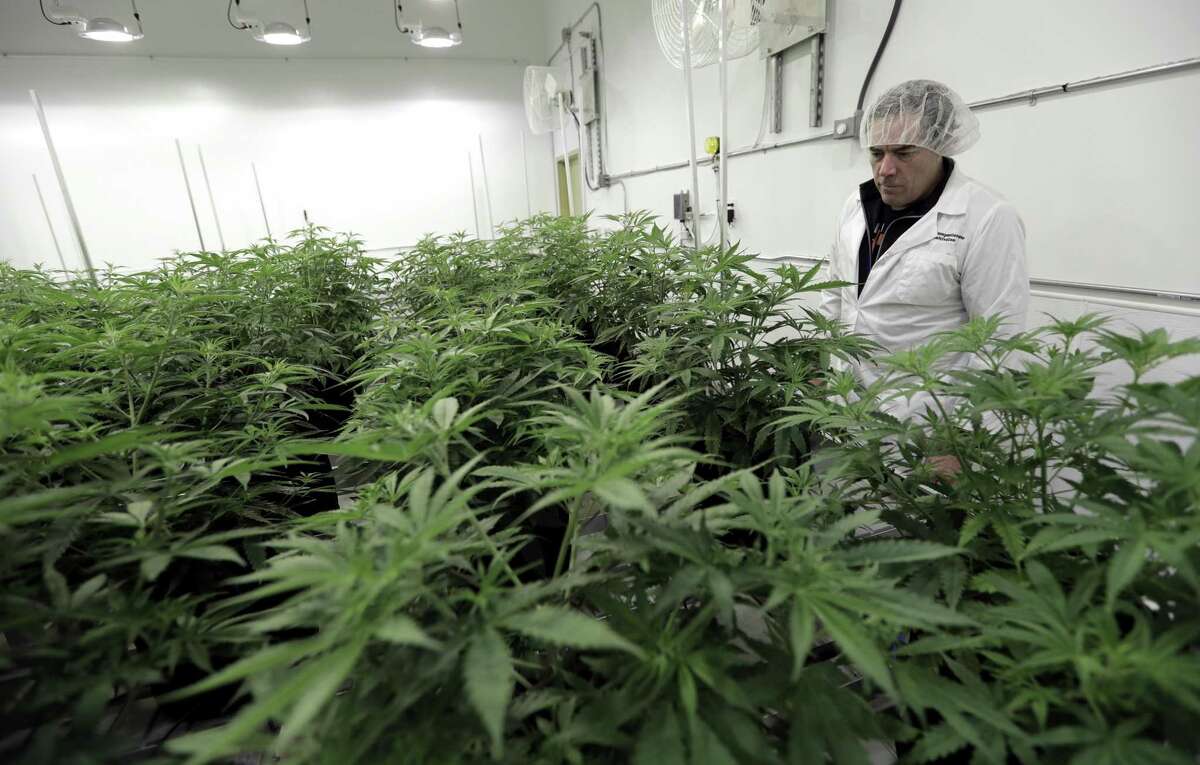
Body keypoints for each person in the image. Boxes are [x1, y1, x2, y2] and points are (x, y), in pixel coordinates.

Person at [819, 79, 1030, 478]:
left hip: (926, 432)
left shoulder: (985, 217)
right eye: (876, 153)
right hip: (848, 417)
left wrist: (961, 443)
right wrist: (821, 374)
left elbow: (999, 341)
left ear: (939, 145)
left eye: (903, 153)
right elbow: (835, 297)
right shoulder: (856, 205)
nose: (886, 169)